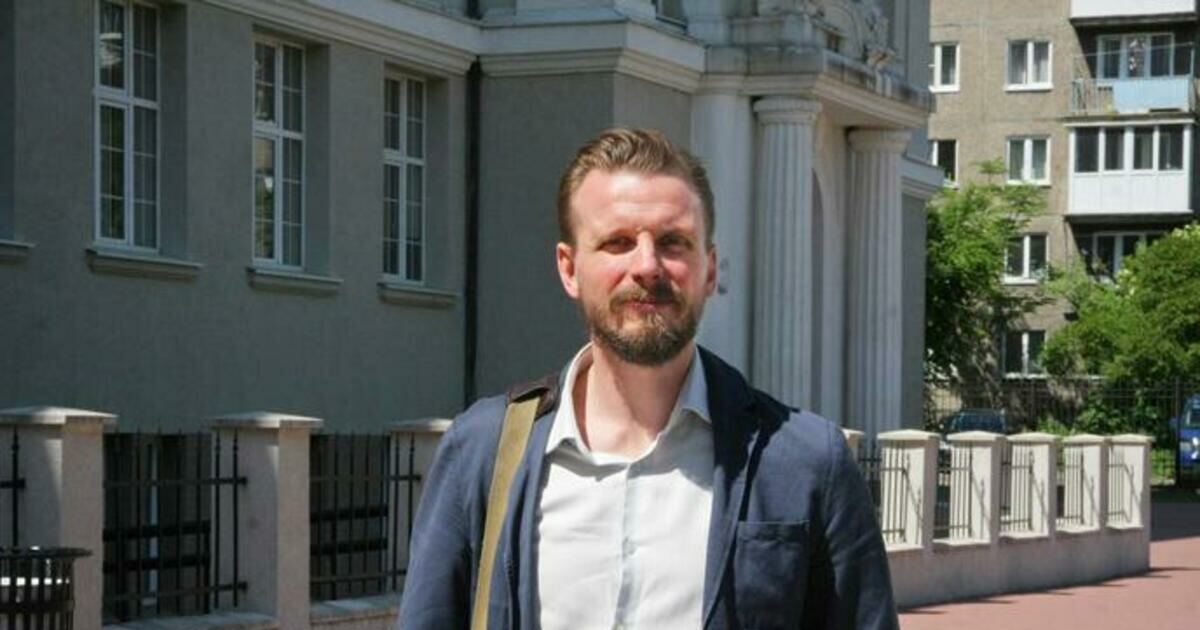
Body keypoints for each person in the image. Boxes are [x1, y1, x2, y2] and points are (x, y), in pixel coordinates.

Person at [397, 128, 898, 630]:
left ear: (709, 269)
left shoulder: (806, 463)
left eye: (673, 242)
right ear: (569, 269)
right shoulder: (483, 452)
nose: (647, 266)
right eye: (617, 242)